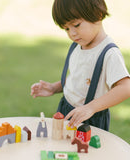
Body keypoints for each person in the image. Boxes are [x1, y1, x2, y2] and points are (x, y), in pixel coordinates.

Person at [31, 0, 130, 131]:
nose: (72, 33)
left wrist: (91, 108)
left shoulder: (109, 53)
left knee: (84, 150)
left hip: (90, 117)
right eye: (66, 28)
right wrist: (54, 88)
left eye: (76, 25)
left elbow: (125, 87)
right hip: (66, 108)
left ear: (98, 14)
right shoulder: (78, 46)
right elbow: (79, 78)